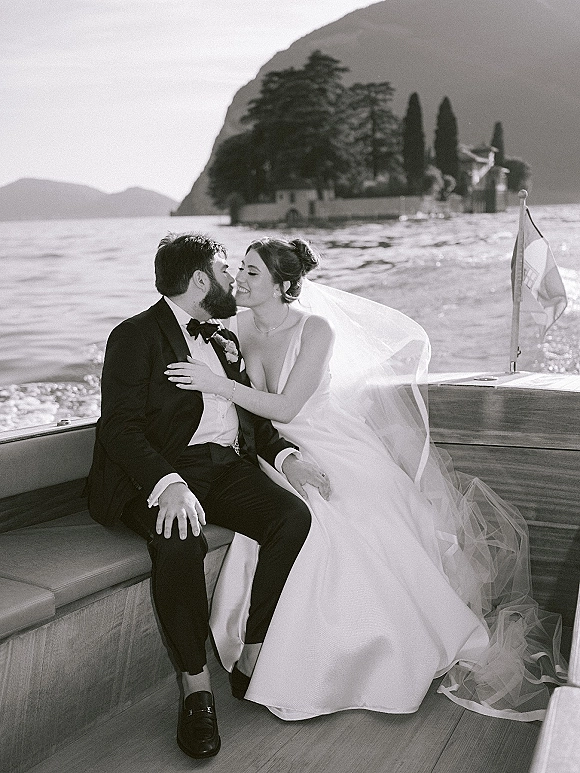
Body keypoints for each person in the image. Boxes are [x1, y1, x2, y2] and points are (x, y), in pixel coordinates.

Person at [166, 236, 567, 723]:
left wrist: (220, 385)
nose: (239, 280)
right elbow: (246, 410)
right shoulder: (237, 326)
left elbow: (290, 406)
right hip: (274, 449)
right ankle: (273, 652)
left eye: (251, 272)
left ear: (284, 285)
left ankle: (370, 654)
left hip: (327, 436)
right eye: (240, 269)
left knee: (361, 514)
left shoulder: (316, 330)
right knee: (298, 522)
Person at [86, 233, 330, 760]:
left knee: (291, 516)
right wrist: (168, 484)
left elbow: (250, 416)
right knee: (179, 537)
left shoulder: (223, 337)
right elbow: (120, 430)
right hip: (161, 474)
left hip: (225, 468)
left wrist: (287, 456)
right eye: (225, 269)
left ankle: (251, 652)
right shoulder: (134, 336)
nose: (233, 280)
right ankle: (196, 689)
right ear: (200, 280)